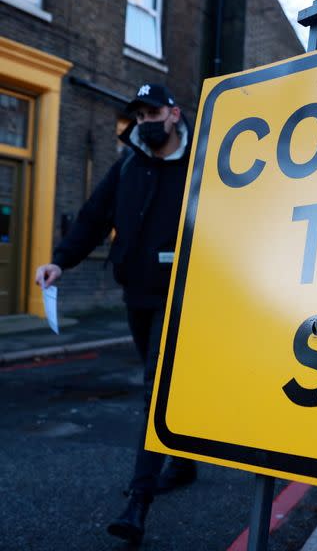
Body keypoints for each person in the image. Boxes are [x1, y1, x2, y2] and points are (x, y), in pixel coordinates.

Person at [36, 83, 198, 544]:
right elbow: (93, 217)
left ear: (173, 113)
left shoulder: (198, 166)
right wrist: (60, 261)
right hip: (135, 294)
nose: (145, 123)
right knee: (162, 386)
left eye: (152, 114)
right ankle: (183, 463)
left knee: (153, 390)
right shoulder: (128, 163)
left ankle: (138, 502)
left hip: (178, 297)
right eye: (139, 117)